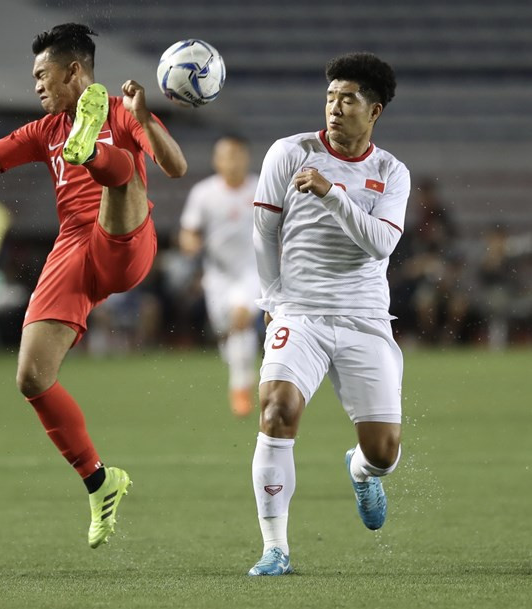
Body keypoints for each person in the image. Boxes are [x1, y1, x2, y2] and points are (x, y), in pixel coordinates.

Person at [0, 23, 186, 549]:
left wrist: (143, 121)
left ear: (75, 71)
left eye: (42, 75)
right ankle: (100, 481)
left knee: (124, 180)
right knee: (31, 376)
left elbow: (175, 166)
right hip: (73, 248)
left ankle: (89, 152)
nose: (37, 86)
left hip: (126, 240)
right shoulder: (42, 130)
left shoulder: (123, 109)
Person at [248, 52, 410, 575]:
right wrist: (273, 300)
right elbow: (263, 233)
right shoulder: (289, 152)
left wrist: (334, 194)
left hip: (365, 318)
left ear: (375, 110)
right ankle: (275, 548)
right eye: (330, 97)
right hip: (301, 313)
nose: (335, 108)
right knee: (277, 411)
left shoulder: (391, 172)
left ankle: (361, 473)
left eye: (349, 99)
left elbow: (381, 244)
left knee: (384, 451)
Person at [179, 135, 260, 416]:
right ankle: (241, 371)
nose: (232, 161)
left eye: (237, 154)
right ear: (216, 160)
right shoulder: (204, 193)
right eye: (226, 155)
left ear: (246, 157)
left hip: (253, 271)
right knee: (227, 332)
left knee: (241, 319)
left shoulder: (261, 187)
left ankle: (240, 389)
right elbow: (189, 231)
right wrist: (190, 244)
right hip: (218, 275)